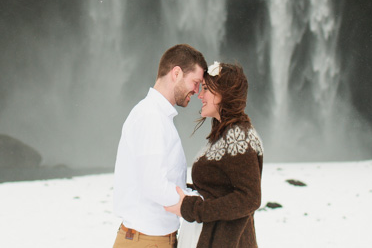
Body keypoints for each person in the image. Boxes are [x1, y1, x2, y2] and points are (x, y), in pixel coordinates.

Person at [112, 44, 208, 248]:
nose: (197, 91)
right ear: (176, 73)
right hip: (146, 241)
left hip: (151, 239)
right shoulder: (151, 117)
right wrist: (193, 204)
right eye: (196, 82)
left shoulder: (157, 117)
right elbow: (154, 185)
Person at [164, 61, 263, 248]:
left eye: (207, 89)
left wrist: (192, 208)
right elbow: (217, 189)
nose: (200, 95)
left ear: (223, 94)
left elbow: (249, 198)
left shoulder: (239, 136)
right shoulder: (223, 135)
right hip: (209, 236)